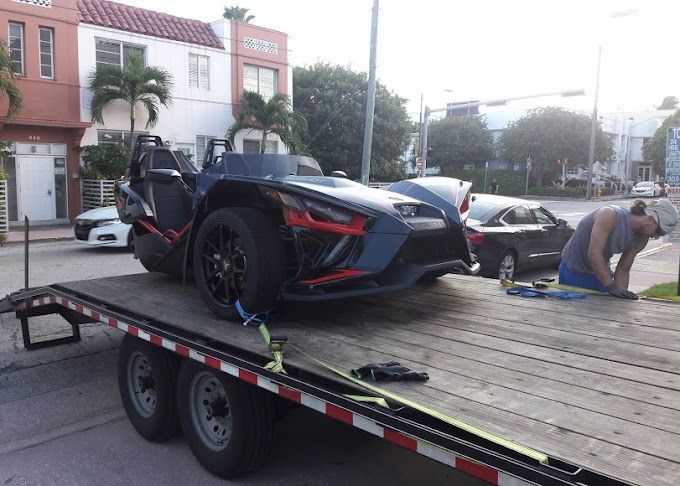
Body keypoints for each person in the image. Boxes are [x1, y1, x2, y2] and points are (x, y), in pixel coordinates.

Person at [559, 198, 678, 299]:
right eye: (658, 231)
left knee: (603, 316)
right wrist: (610, 286)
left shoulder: (642, 239)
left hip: (600, 274)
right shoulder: (610, 215)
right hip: (574, 270)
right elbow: (594, 253)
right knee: (574, 319)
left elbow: (623, 269)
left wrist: (621, 295)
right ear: (650, 219)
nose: (656, 237)